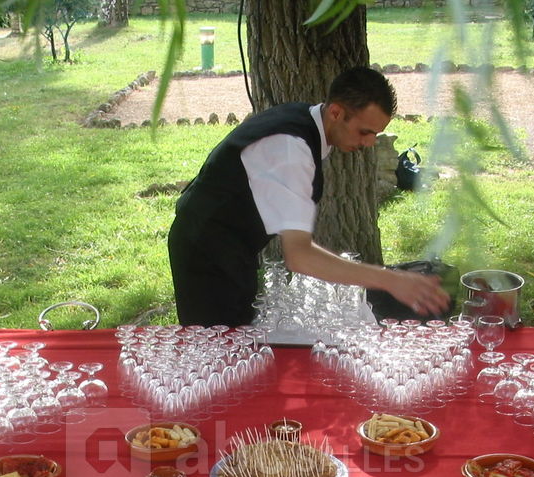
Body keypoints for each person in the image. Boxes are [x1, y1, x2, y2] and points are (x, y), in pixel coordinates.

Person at [167, 66, 450, 327]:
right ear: (336, 113)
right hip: (205, 251)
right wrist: (391, 280)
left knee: (240, 337)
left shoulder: (304, 121)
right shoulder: (292, 149)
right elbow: (300, 257)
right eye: (365, 131)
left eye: (376, 134)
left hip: (231, 244)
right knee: (218, 347)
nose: (369, 143)